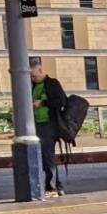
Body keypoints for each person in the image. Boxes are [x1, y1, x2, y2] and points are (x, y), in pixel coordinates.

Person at [29, 59, 69, 196]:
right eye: (30, 77)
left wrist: (43, 102)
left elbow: (62, 101)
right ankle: (56, 185)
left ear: (40, 70)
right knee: (42, 157)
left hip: (48, 124)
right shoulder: (31, 85)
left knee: (48, 156)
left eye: (34, 76)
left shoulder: (52, 84)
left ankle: (51, 187)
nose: (32, 78)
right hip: (35, 124)